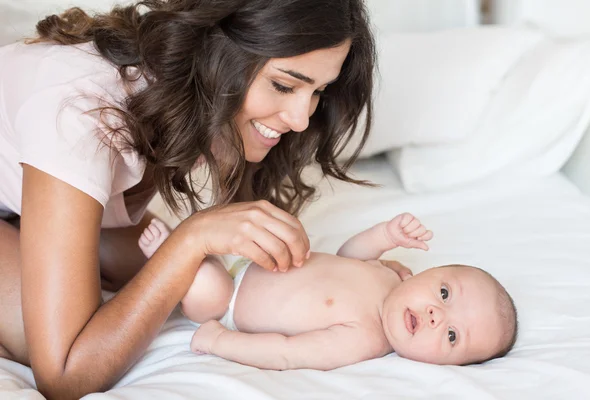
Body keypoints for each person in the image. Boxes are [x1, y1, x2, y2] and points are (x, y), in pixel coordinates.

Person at [0, 0, 377, 398]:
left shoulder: (184, 92)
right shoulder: (82, 110)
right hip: (39, 171)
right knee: (54, 340)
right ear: (219, 53)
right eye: (284, 85)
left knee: (163, 278)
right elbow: (64, 377)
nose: (301, 119)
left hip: (18, 199)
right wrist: (191, 238)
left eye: (318, 91)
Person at [139, 213, 518, 369]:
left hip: (230, 302)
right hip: (253, 260)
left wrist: (219, 340)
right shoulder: (389, 277)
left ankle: (169, 260)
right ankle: (182, 247)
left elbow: (287, 353)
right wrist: (385, 237)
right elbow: (348, 257)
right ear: (428, 273)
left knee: (204, 281)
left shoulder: (364, 339)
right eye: (445, 294)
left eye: (452, 335)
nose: (437, 314)